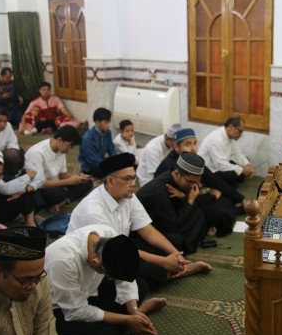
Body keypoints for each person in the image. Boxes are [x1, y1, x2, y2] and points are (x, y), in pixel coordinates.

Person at [68, 153, 212, 290]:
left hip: (122, 244)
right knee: (143, 277)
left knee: (173, 243)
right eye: (128, 179)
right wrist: (163, 261)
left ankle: (179, 265)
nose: (133, 184)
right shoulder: (94, 210)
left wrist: (177, 255)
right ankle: (180, 271)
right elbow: (114, 252)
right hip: (97, 259)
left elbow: (148, 231)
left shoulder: (127, 195)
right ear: (111, 181)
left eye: (134, 178)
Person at [46, 224, 167, 335]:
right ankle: (136, 318)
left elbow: (124, 279)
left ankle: (135, 317)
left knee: (140, 285)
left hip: (89, 292)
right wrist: (127, 320)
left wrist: (134, 310)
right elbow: (76, 311)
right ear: (96, 262)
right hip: (60, 309)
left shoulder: (109, 235)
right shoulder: (63, 261)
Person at [156, 126, 248, 220]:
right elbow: (177, 198)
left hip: (189, 195)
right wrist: (210, 196)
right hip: (175, 207)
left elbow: (213, 179)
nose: (193, 149)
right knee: (217, 210)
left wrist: (242, 199)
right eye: (187, 144)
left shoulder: (190, 159)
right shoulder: (171, 165)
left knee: (223, 192)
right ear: (176, 147)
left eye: (195, 143)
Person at [138, 152, 210, 253]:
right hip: (149, 228)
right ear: (177, 173)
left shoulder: (174, 176)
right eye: (190, 181)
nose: (194, 186)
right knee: (177, 241)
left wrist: (184, 196)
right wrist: (190, 200)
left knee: (198, 214)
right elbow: (172, 225)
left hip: (168, 218)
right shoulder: (159, 191)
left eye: (197, 182)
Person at [24, 125, 93, 214]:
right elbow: (40, 183)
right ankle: (58, 201)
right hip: (39, 188)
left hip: (55, 183)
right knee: (58, 194)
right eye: (69, 146)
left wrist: (78, 177)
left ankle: (60, 203)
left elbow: (62, 174)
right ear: (60, 140)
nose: (69, 150)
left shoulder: (61, 150)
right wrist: (69, 181)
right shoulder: (37, 153)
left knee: (87, 182)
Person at [0, 148, 45, 227]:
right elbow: (6, 188)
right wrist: (27, 177)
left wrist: (24, 190)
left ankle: (30, 218)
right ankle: (29, 220)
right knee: (28, 189)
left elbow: (41, 178)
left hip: (9, 211)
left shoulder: (21, 171)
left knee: (30, 188)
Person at [197, 116, 255, 188]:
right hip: (210, 171)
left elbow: (237, 154)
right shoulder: (217, 139)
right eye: (240, 131)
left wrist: (247, 165)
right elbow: (221, 165)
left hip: (221, 165)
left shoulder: (230, 136)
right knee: (232, 175)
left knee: (245, 160)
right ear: (231, 127)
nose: (241, 135)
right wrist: (242, 170)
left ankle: (232, 181)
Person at [136, 123, 182, 187]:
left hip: (163, 171)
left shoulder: (171, 143)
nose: (178, 145)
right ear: (167, 138)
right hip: (149, 178)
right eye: (176, 143)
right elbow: (157, 174)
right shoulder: (152, 149)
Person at [78, 107, 117, 177]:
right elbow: (92, 159)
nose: (108, 125)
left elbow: (111, 149)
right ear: (97, 123)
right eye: (106, 122)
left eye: (109, 121)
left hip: (101, 160)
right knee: (109, 172)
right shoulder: (88, 138)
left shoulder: (108, 132)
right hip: (90, 166)